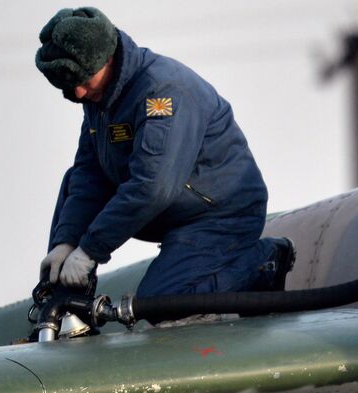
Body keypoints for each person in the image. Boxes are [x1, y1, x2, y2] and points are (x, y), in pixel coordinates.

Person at [35, 8, 292, 296]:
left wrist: (89, 250)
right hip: (176, 212)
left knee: (162, 300)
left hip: (220, 214)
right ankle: (67, 301)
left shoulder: (162, 91)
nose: (79, 94)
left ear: (107, 59)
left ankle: (264, 262)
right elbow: (88, 174)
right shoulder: (100, 96)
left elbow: (152, 187)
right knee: (75, 180)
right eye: (70, 87)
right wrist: (66, 242)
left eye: (84, 82)